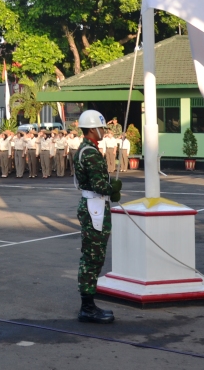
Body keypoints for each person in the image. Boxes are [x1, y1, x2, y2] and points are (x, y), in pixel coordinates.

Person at [72, 110, 118, 324]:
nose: (103, 132)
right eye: (101, 128)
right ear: (92, 128)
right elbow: (98, 184)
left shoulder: (88, 149)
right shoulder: (89, 152)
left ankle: (89, 304)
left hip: (95, 204)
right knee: (93, 257)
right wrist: (112, 188)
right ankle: (87, 308)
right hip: (94, 207)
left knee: (93, 257)